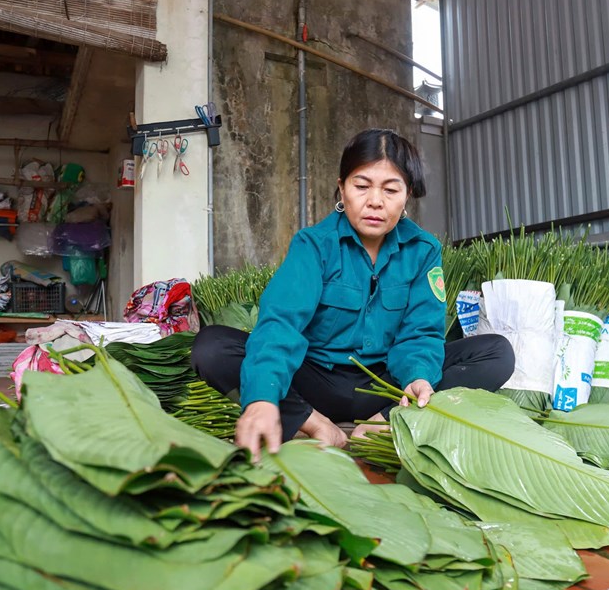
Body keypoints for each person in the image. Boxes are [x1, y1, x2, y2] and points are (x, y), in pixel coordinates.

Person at [192, 128, 513, 461]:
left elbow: (420, 332)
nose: (375, 201)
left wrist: (417, 376)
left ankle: (385, 421)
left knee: (497, 352)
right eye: (361, 186)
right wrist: (262, 399)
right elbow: (281, 324)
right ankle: (313, 423)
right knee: (212, 347)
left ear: (407, 196)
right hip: (313, 383)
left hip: (383, 387)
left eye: (391, 189)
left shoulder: (423, 250)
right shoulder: (314, 244)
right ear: (342, 187)